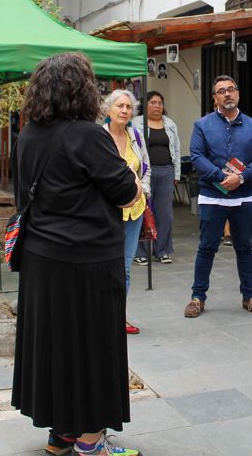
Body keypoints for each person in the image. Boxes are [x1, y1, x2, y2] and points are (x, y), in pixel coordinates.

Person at [11, 53, 143, 456]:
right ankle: (90, 441)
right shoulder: (87, 134)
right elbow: (127, 191)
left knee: (54, 346)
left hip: (40, 258)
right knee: (92, 347)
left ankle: (60, 434)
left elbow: (22, 197)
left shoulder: (29, 134)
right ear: (82, 89)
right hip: (86, 261)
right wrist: (135, 181)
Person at [184, 75, 252, 318]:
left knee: (244, 247)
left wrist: (240, 178)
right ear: (215, 98)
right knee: (207, 247)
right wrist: (220, 177)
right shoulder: (202, 125)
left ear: (238, 94)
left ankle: (249, 296)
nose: (227, 94)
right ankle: (197, 297)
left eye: (231, 89)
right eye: (221, 91)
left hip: (243, 196)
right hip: (213, 195)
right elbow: (196, 156)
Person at [103, 89, 152, 335]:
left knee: (125, 267)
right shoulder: (98, 137)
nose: (124, 110)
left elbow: (146, 168)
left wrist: (143, 192)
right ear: (108, 110)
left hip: (134, 211)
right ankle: (100, 314)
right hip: (105, 214)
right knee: (103, 265)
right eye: (119, 106)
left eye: (128, 107)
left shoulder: (137, 135)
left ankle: (118, 317)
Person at [132, 91, 180, 265]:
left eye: (160, 102)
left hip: (166, 171)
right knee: (142, 212)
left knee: (165, 214)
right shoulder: (136, 123)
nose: (157, 106)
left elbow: (176, 150)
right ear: (145, 105)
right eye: (153, 102)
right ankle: (141, 252)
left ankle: (162, 250)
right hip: (144, 173)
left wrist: (176, 174)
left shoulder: (170, 124)